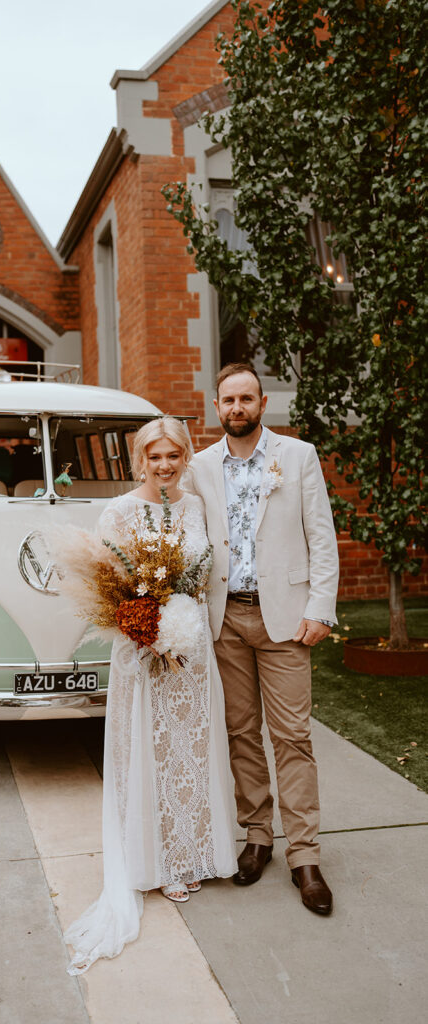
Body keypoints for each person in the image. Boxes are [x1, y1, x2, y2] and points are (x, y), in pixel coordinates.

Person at [64, 417, 237, 975]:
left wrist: (187, 630)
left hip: (192, 654)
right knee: (148, 751)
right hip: (142, 655)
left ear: (186, 456)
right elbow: (107, 588)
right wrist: (145, 629)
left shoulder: (196, 507)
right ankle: (151, 862)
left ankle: (189, 855)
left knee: (188, 751)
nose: (164, 465)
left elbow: (206, 578)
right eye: (154, 457)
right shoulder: (118, 511)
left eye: (173, 455)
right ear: (139, 459)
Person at [184, 363, 339, 915]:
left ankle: (305, 855)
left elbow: (321, 536)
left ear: (263, 402)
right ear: (217, 406)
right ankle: (258, 837)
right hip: (224, 618)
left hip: (286, 619)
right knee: (241, 733)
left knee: (292, 736)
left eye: (247, 398)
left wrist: (321, 607)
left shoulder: (298, 456)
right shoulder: (200, 467)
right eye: (228, 400)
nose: (238, 408)